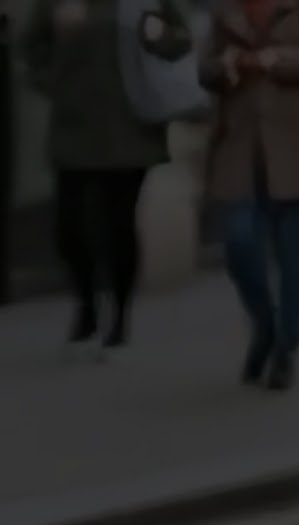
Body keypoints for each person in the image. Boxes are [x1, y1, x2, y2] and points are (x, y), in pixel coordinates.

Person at [198, 0, 299, 390]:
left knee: (293, 252)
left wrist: (278, 60)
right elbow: (205, 68)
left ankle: (287, 348)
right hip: (241, 145)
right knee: (239, 244)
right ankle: (265, 326)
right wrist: (228, 65)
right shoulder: (229, 6)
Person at [21, 0, 194, 352]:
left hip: (130, 127)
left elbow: (181, 40)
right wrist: (52, 81)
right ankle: (86, 303)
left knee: (117, 225)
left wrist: (157, 35)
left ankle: (119, 315)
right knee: (69, 228)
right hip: (74, 128)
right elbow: (30, 47)